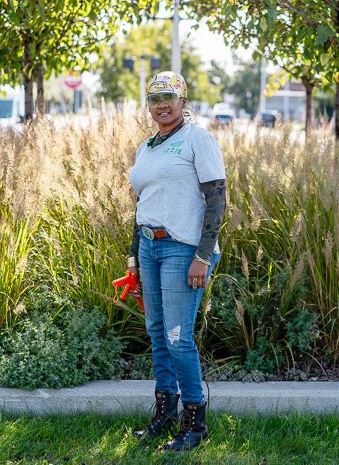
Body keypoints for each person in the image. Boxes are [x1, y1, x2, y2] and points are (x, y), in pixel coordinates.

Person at [127, 71, 226, 451]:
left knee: (177, 337)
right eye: (154, 99)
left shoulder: (197, 139)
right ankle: (165, 413)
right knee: (156, 332)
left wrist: (203, 255)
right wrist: (133, 257)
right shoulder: (147, 147)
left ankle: (195, 424)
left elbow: (217, 198)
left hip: (183, 249)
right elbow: (142, 205)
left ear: (184, 101)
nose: (161, 105)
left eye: (169, 97)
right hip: (150, 247)